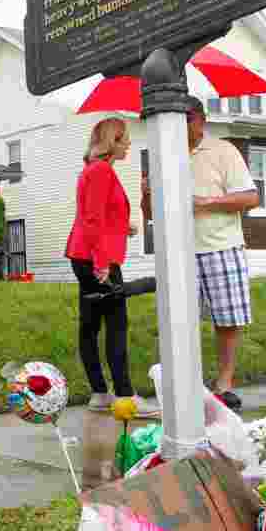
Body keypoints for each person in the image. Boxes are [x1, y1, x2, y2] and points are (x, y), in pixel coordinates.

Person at [65, 118, 160, 417]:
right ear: (112, 142)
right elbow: (92, 219)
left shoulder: (93, 170)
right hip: (96, 258)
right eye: (125, 139)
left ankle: (100, 394)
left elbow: (98, 215)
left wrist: (123, 226)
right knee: (116, 325)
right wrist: (102, 263)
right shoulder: (102, 171)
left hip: (85, 254)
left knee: (90, 325)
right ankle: (126, 397)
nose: (129, 144)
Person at [185, 96, 260, 411]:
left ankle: (224, 382)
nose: (182, 126)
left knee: (227, 319)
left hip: (220, 246)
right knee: (181, 321)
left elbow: (251, 197)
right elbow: (151, 212)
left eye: (187, 118)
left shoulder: (223, 151)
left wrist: (206, 203)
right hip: (179, 251)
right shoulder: (165, 153)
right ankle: (187, 383)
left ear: (201, 119)